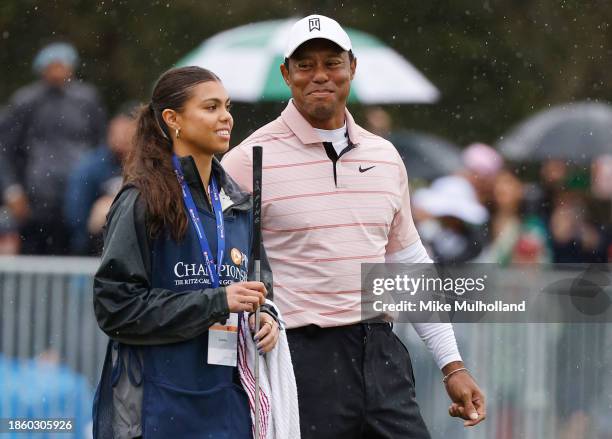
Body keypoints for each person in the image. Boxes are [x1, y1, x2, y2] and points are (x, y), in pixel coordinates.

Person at [222, 14, 486, 438]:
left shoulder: (385, 157)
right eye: (305, 65)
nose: (320, 76)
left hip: (380, 350)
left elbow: (409, 264)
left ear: (352, 68)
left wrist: (451, 364)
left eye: (332, 62)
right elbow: (214, 257)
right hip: (299, 358)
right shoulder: (249, 158)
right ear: (286, 74)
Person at [92, 67, 282, 438]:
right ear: (172, 119)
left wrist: (268, 319)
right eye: (210, 107)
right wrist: (215, 301)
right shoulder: (140, 200)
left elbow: (263, 289)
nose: (226, 116)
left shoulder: (239, 204)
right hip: (157, 406)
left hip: (229, 404)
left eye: (226, 106)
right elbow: (115, 308)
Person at [0, 41, 107, 255]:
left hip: (78, 196)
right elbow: (5, 149)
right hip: (36, 198)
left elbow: (100, 147)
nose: (58, 71)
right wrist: (12, 190)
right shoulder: (25, 101)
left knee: (78, 254)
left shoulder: (87, 99)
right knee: (34, 256)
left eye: (62, 65)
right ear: (42, 69)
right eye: (52, 66)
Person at [64, 102, 138, 255]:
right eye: (116, 132)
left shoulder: (152, 165)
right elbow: (75, 215)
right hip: (95, 249)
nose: (121, 138)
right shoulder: (91, 166)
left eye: (127, 132)